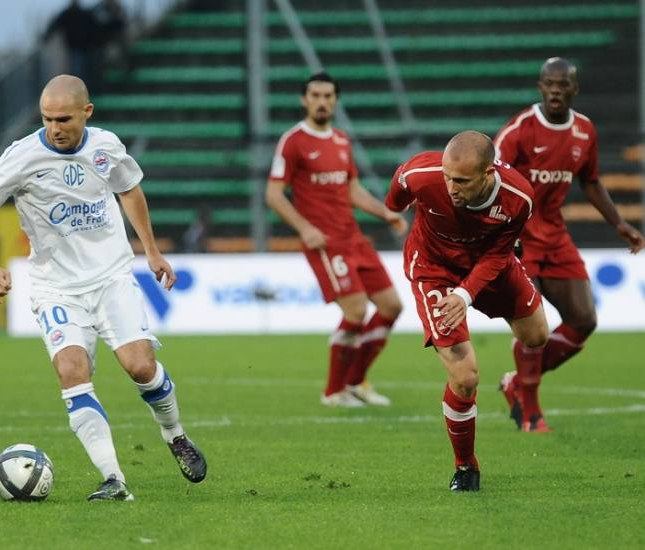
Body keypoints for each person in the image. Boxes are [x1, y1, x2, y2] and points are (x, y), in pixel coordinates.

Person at [0, 74, 207, 501]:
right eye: (47, 119)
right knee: (71, 372)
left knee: (140, 367)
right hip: (54, 287)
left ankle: (175, 435)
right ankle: (115, 479)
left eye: (63, 118)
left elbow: (130, 190)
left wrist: (151, 252)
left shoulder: (106, 146)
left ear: (87, 112)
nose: (55, 127)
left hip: (112, 277)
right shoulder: (21, 156)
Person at [385, 131, 549, 491]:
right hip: (433, 270)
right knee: (465, 375)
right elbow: (396, 194)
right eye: (446, 177)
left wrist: (466, 294)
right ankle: (466, 467)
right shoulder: (421, 176)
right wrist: (396, 209)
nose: (450, 187)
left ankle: (513, 384)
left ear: (488, 173)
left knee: (537, 336)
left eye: (460, 181)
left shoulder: (518, 198)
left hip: (490, 264)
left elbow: (499, 254)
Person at [494, 57, 645, 432]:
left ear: (574, 89)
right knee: (534, 329)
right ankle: (530, 410)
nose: (556, 90)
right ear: (540, 87)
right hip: (520, 239)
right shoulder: (518, 131)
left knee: (583, 320)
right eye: (550, 84)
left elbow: (590, 181)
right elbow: (492, 182)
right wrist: (499, 237)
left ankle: (517, 380)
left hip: (556, 238)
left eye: (563, 84)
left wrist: (619, 223)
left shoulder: (584, 131)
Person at [265, 72, 407, 408]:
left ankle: (356, 382)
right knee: (356, 310)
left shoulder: (342, 141)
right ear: (304, 100)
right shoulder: (293, 141)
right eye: (315, 95)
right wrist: (305, 228)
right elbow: (273, 194)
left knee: (391, 306)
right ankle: (333, 391)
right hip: (325, 243)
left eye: (328, 96)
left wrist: (384, 211)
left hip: (353, 237)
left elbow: (351, 189)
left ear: (336, 101)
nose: (322, 101)